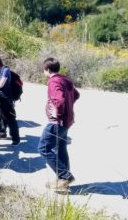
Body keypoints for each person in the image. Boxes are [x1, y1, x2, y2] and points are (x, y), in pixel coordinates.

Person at [38, 58, 80, 190]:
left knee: (43, 148)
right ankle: (63, 181)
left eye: (44, 69)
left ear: (47, 69)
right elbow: (77, 95)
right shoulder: (65, 79)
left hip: (58, 122)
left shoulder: (53, 81)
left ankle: (65, 176)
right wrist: (68, 108)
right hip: (67, 121)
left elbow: (60, 101)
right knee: (61, 148)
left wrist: (59, 113)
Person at [0, 54, 20, 145]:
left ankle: (15, 138)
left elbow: (1, 84)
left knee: (10, 118)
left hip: (5, 98)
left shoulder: (5, 70)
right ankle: (2, 133)